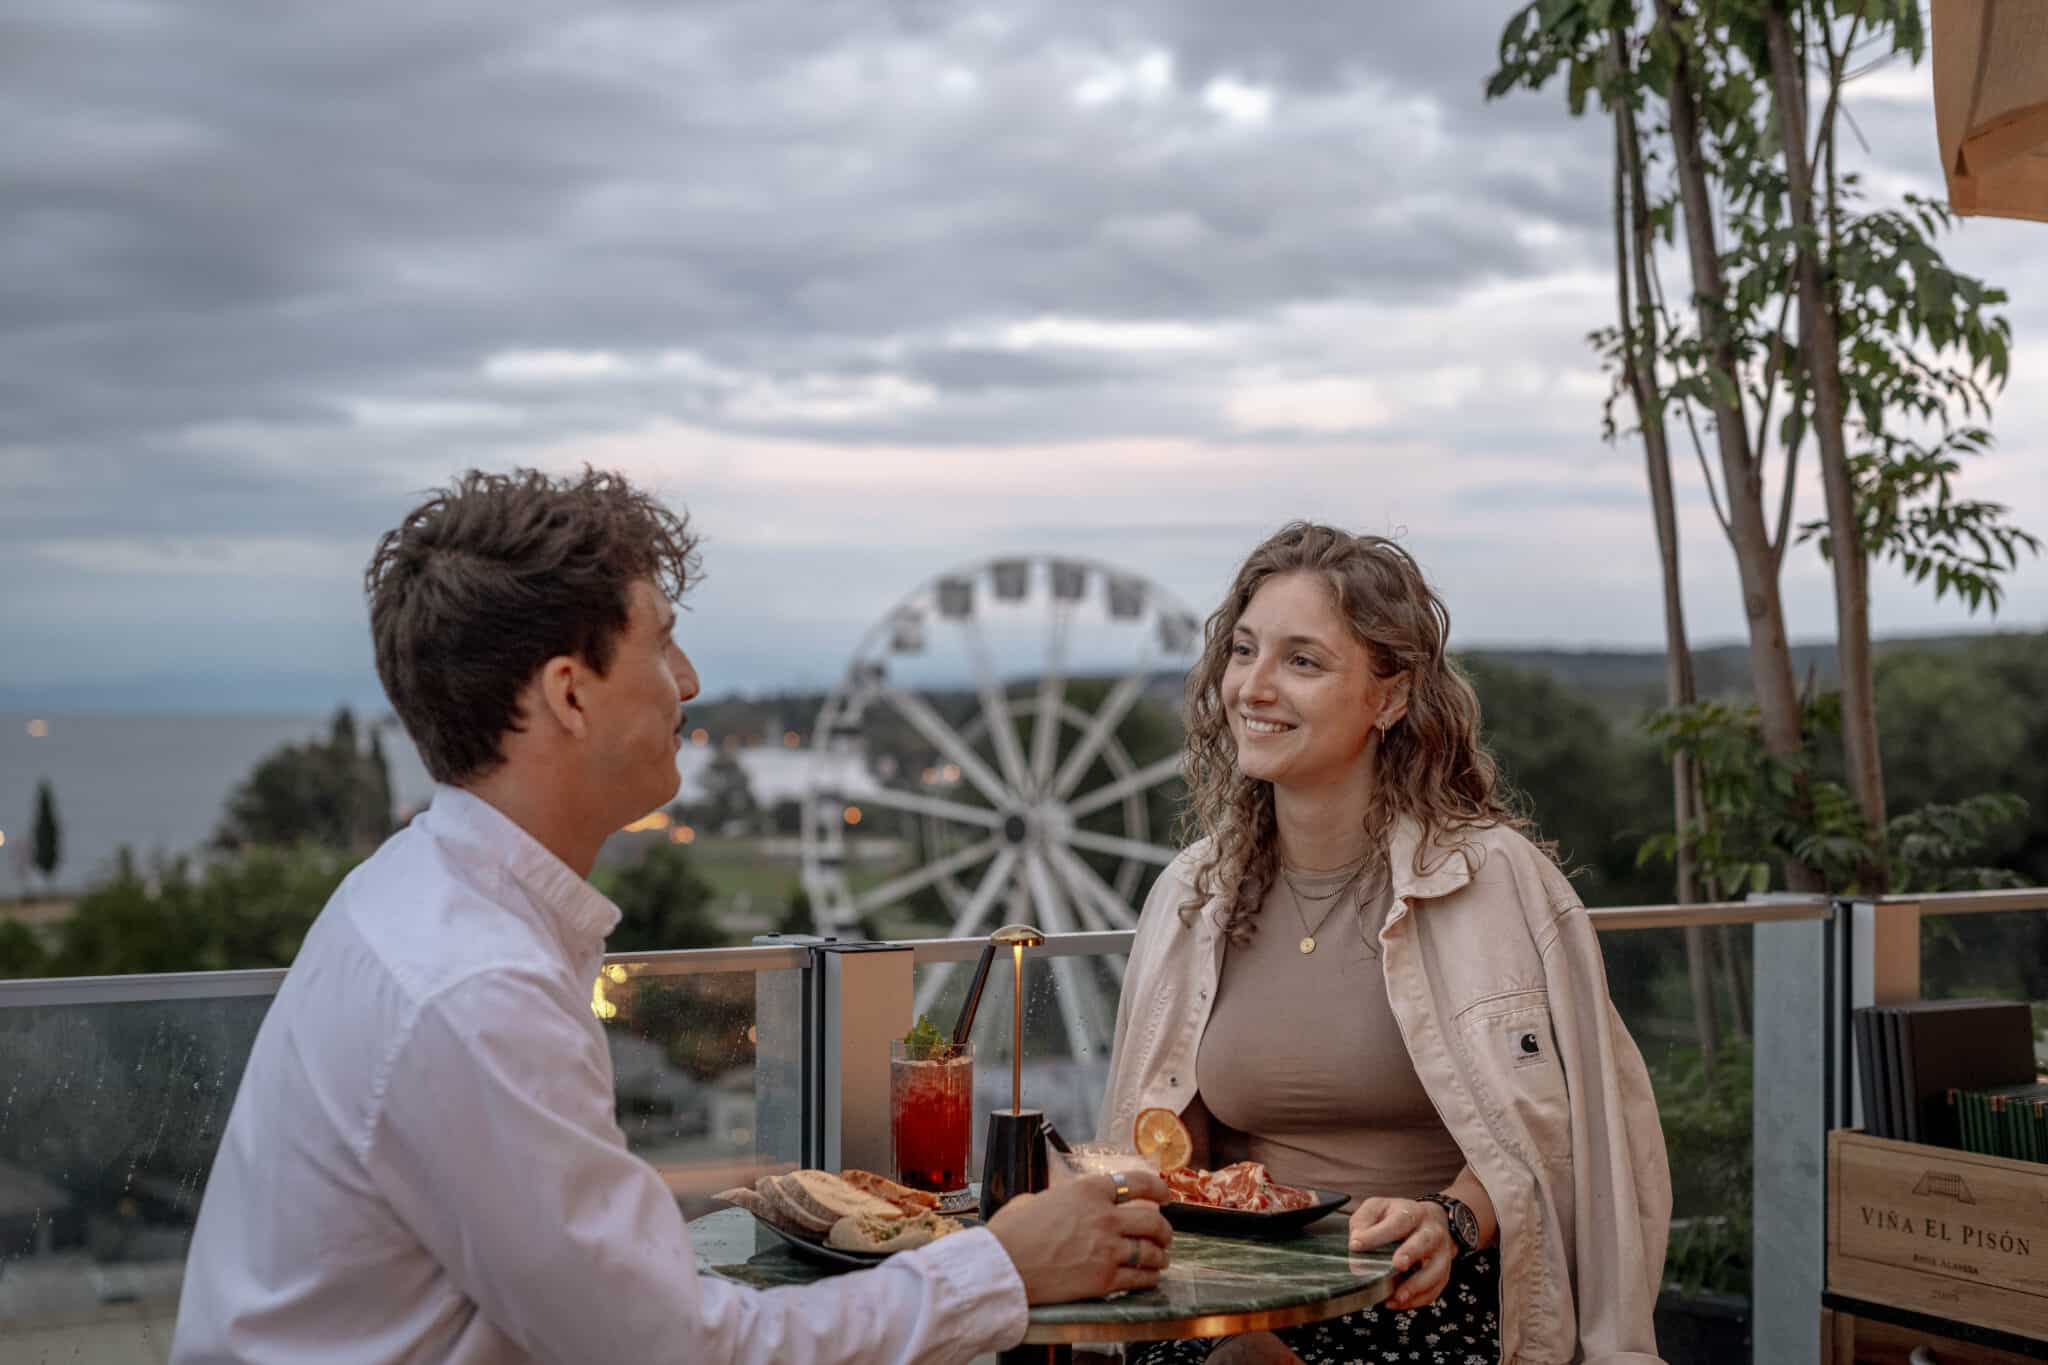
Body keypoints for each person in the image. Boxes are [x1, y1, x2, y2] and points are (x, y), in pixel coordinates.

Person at [172, 468, 1172, 1365]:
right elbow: (674, 1350)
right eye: (661, 643)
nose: (688, 682)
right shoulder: (475, 989)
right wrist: (997, 1271)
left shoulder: (417, 903)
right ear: (569, 694)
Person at [1099, 523, 1670, 1365]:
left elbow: (1567, 1132)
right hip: (1239, 1288)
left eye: (1302, 661)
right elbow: (1173, 1153)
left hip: (1422, 1287)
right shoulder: (1191, 898)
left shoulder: (1496, 883)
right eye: (1245, 650)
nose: (1254, 686)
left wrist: (1449, 1218)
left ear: (1391, 696)